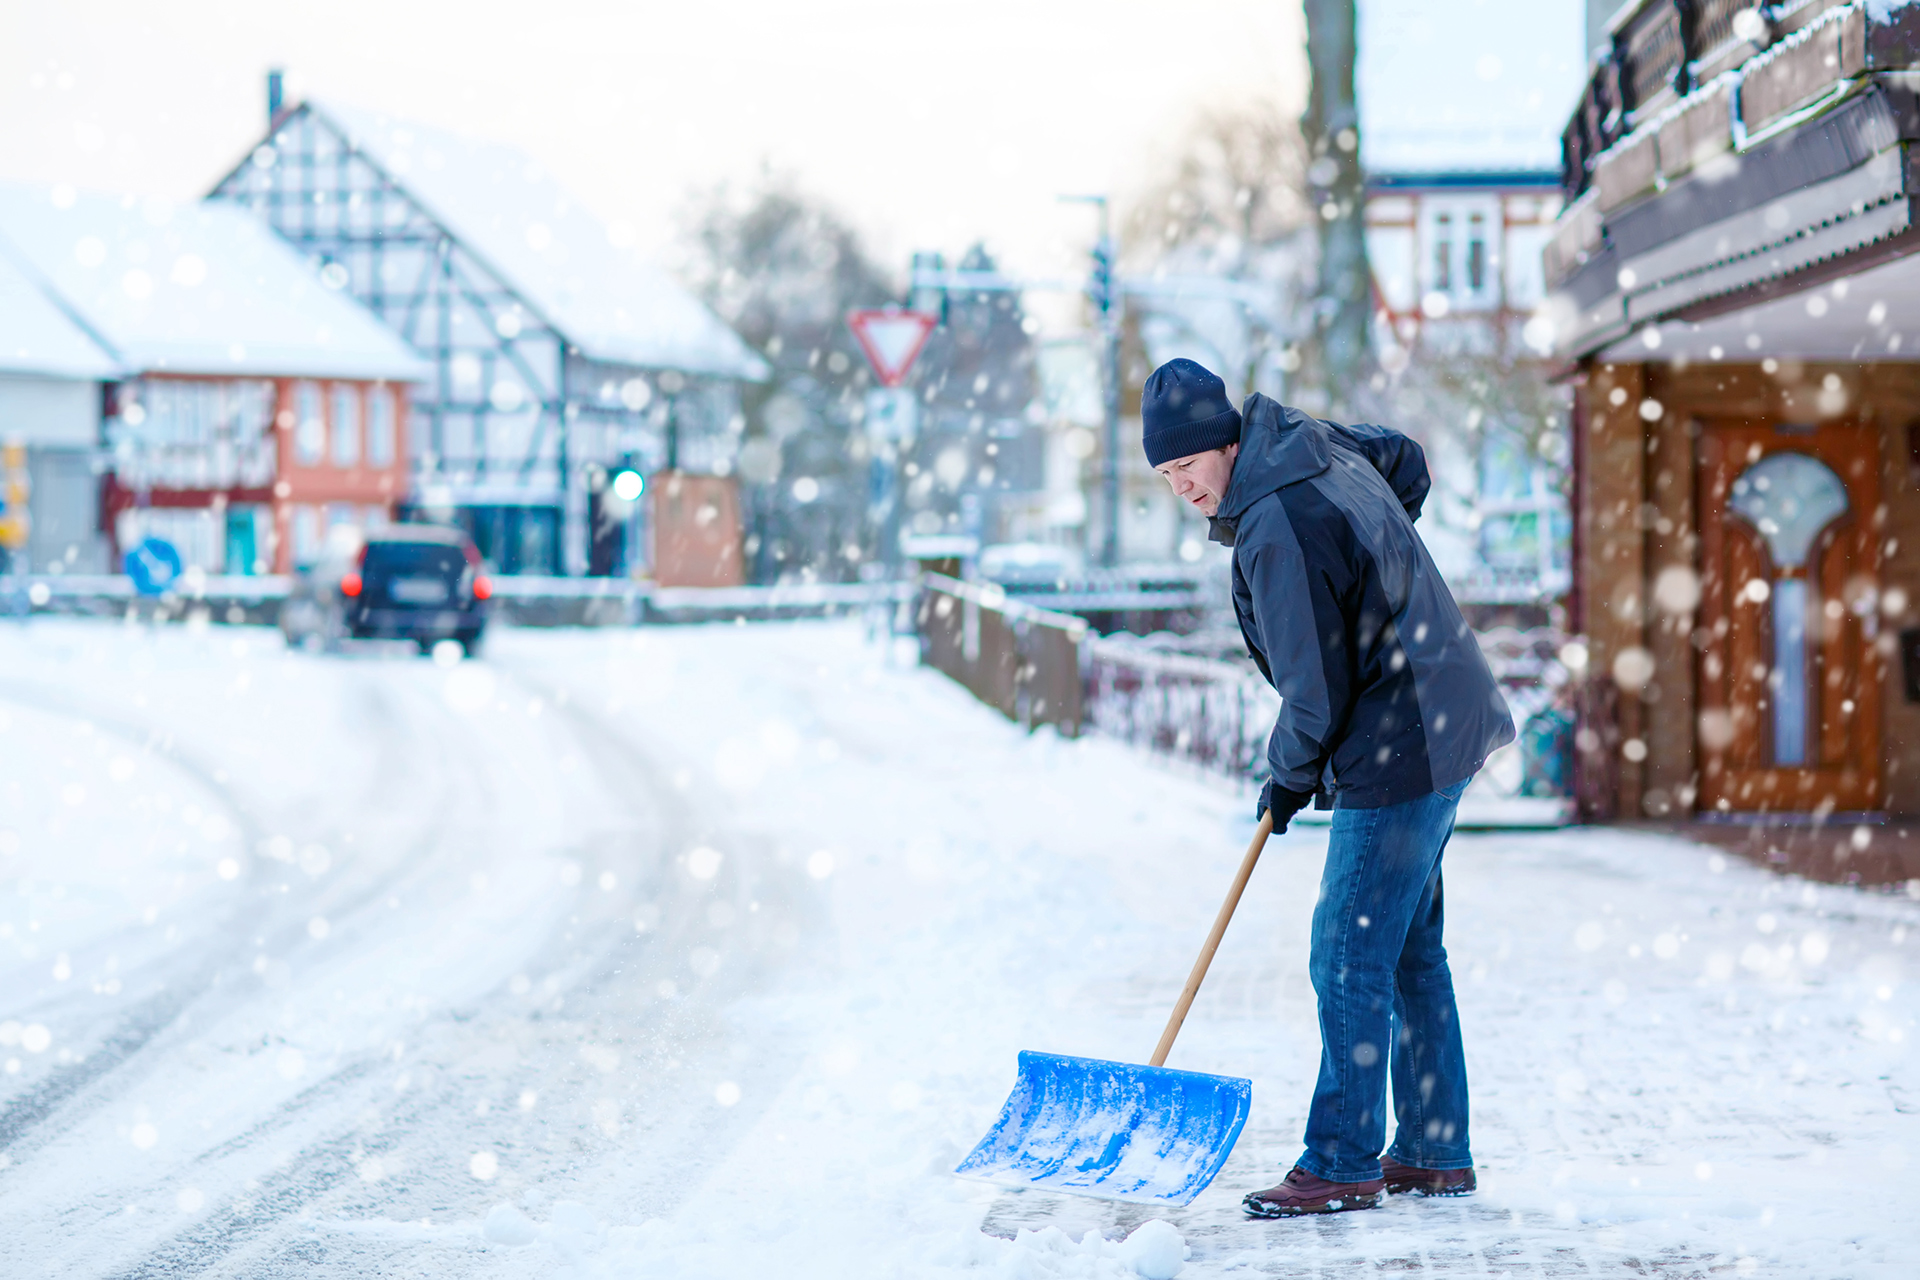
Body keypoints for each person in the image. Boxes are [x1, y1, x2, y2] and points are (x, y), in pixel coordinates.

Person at [1140, 357, 1514, 1218]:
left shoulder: (1273, 523)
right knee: (1409, 948)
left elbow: (1314, 691)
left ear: (1223, 442)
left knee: (1346, 951)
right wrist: (1381, 575)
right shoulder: (1308, 445)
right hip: (1442, 710)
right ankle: (1431, 1147)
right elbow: (1406, 458)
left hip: (1402, 737)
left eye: (1189, 463)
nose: (1183, 486)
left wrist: (1286, 777)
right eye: (1166, 475)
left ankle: (1344, 1159)